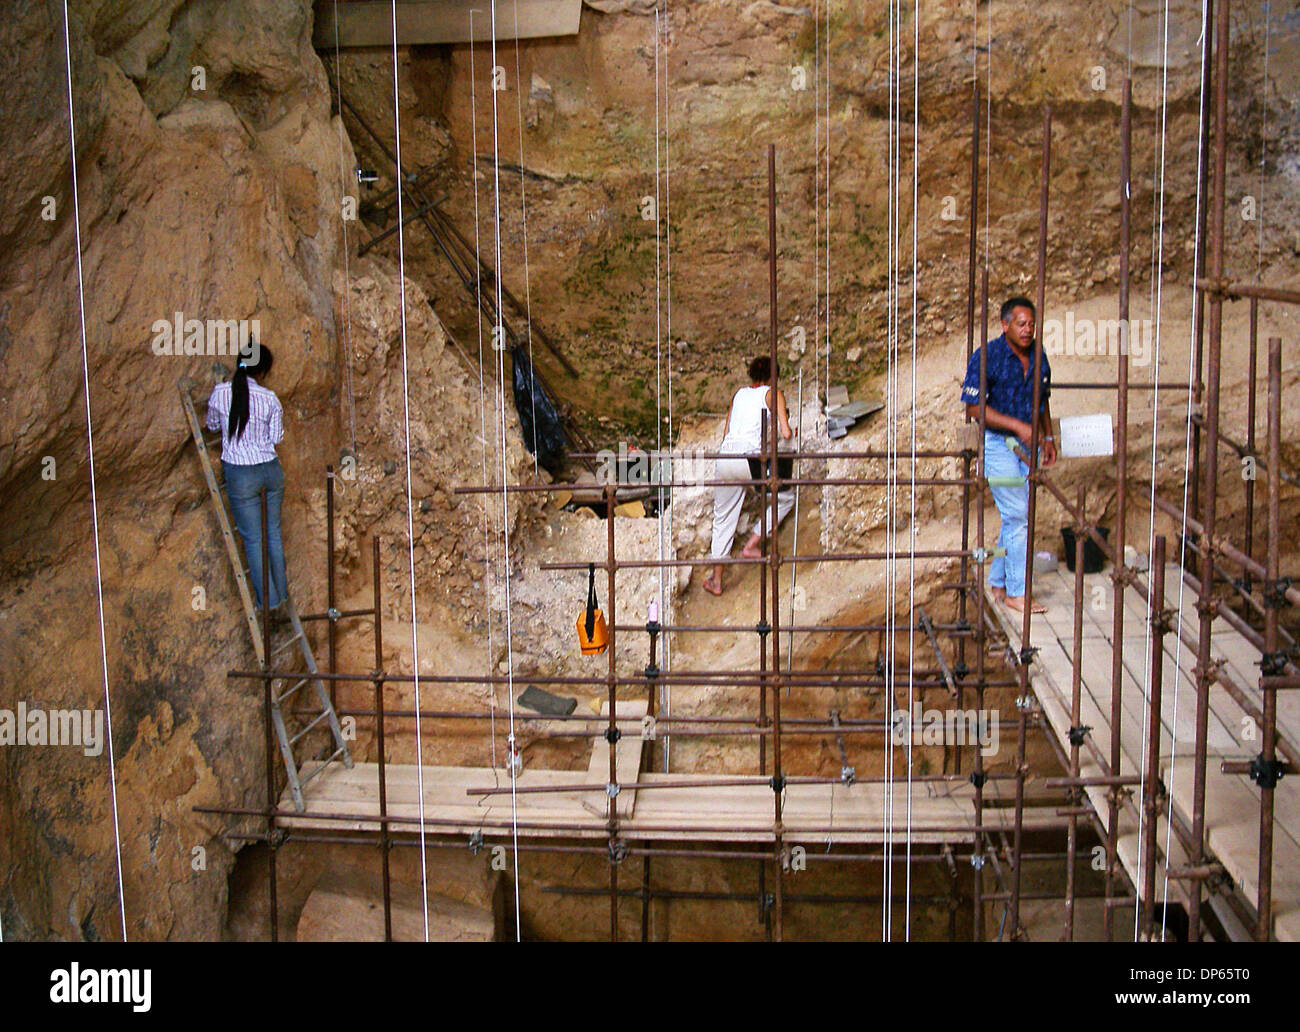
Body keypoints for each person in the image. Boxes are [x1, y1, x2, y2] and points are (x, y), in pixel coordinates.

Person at [961, 296, 1057, 614]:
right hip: (998, 443)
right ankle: (1018, 593)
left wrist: (1049, 437)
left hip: (1026, 444)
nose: (1028, 330)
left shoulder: (1038, 355)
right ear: (1005, 326)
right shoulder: (987, 356)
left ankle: (999, 583)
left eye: (1031, 324)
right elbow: (974, 407)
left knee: (1014, 513)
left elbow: (1042, 399)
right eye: (1021, 324)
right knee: (1018, 513)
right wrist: (1016, 425)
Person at [702, 356, 797, 596]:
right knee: (785, 497)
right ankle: (753, 544)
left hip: (725, 459)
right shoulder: (773, 392)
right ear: (773, 376)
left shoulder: (738, 395)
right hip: (748, 459)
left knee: (722, 517)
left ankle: (716, 579)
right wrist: (791, 429)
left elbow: (726, 434)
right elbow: (785, 433)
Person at [206, 343, 289, 612]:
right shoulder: (270, 398)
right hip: (271, 471)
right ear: (263, 371)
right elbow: (276, 438)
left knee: (254, 540)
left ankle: (270, 601)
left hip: (241, 475)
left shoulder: (220, 393)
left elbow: (212, 426)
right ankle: (282, 593)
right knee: (273, 535)